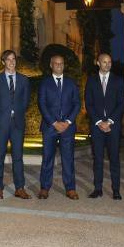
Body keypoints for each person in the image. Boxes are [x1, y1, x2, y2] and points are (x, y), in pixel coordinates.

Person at [0, 50, 31, 200]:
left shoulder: (24, 80)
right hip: (2, 124)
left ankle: (20, 188)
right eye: (8, 59)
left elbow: (25, 102)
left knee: (18, 156)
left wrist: (16, 112)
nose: (11, 62)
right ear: (3, 61)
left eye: (13, 59)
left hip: (17, 123)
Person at [37, 54, 81, 200]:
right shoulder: (45, 83)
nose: (59, 66)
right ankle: (44, 188)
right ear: (51, 65)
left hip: (67, 128)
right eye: (56, 63)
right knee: (47, 158)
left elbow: (77, 103)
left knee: (68, 159)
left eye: (61, 63)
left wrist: (68, 122)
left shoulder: (71, 83)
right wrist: (54, 123)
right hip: (50, 127)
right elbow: (42, 104)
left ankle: (70, 188)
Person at [84, 53, 124, 200]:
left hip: (113, 126)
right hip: (97, 126)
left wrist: (110, 121)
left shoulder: (118, 81)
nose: (107, 64)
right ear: (98, 63)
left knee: (114, 158)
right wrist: (99, 122)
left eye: (109, 62)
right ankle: (98, 188)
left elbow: (121, 104)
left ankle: (116, 190)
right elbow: (88, 103)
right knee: (98, 159)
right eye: (104, 62)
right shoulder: (91, 80)